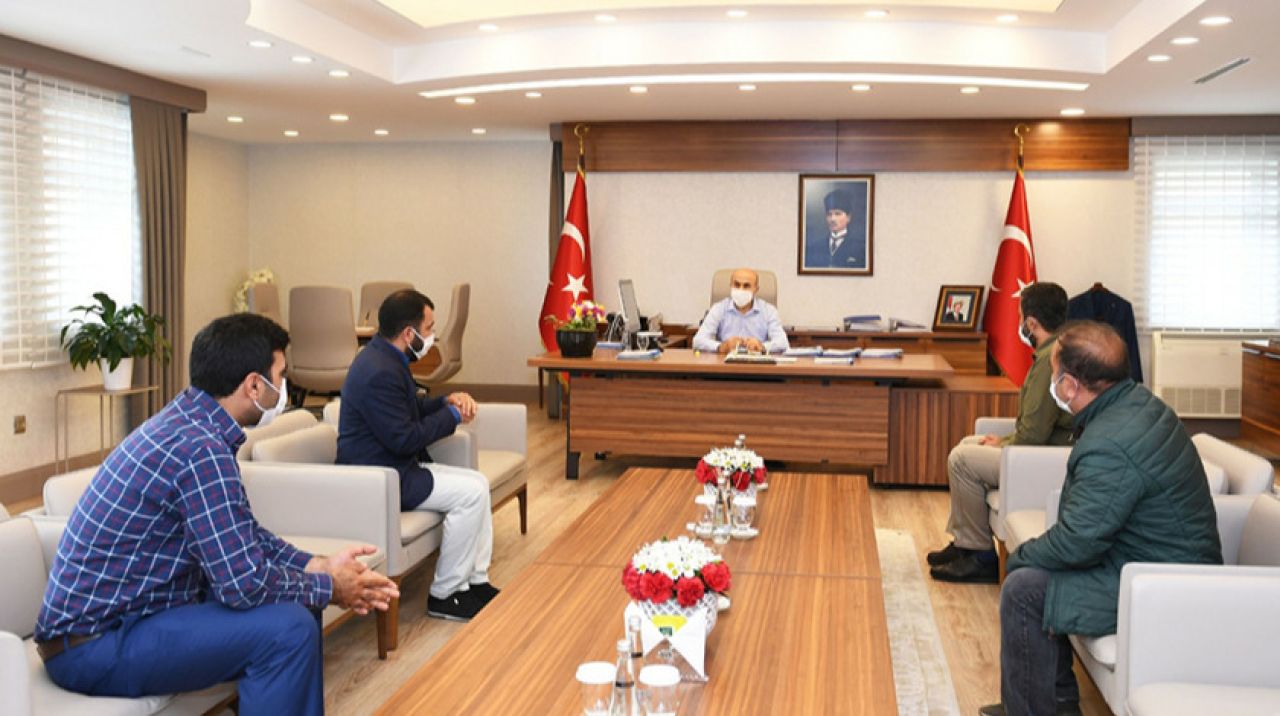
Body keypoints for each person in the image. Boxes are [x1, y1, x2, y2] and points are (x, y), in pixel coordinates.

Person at [36, 313, 398, 714]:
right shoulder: (200, 449)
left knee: (299, 602)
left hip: (132, 618)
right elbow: (242, 584)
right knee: (288, 630)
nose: (284, 389)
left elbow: (242, 534)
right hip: (94, 645)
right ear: (253, 385)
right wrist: (331, 587)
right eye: (280, 377)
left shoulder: (190, 423)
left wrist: (316, 565)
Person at [980, 320, 1221, 716]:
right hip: (1152, 564)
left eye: (1054, 375)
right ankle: (1057, 703)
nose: (1052, 383)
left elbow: (1078, 541)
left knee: (1024, 590)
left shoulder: (1110, 442)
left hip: (1161, 583)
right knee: (1039, 576)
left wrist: (1019, 556)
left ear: (1070, 386)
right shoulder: (1138, 403)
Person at [337, 289, 498, 622]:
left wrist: (445, 402)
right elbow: (404, 438)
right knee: (470, 494)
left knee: (478, 483)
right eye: (429, 329)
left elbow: (406, 409)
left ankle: (475, 581)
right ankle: (446, 594)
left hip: (395, 468)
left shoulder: (384, 357)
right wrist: (452, 417)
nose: (432, 337)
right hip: (381, 478)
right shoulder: (379, 371)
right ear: (409, 334)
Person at [928, 282, 1073, 584]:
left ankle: (980, 555)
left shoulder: (1050, 362)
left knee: (961, 459)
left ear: (1032, 323)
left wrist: (1004, 444)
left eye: (1020, 317)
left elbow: (1033, 434)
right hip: (1038, 450)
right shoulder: (1058, 350)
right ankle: (964, 542)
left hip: (1042, 458)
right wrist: (1002, 441)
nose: (1019, 324)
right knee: (969, 443)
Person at [692, 268, 789, 354]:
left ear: (756, 289)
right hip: (725, 363)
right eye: (737, 285)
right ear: (731, 285)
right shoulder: (719, 308)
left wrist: (762, 346)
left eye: (746, 286)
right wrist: (721, 346)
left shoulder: (768, 310)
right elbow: (698, 341)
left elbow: (782, 343)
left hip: (757, 363)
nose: (741, 289)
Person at [804, 189, 867, 270]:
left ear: (848, 217)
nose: (832, 219)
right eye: (829, 214)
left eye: (838, 214)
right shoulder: (814, 248)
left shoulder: (861, 248)